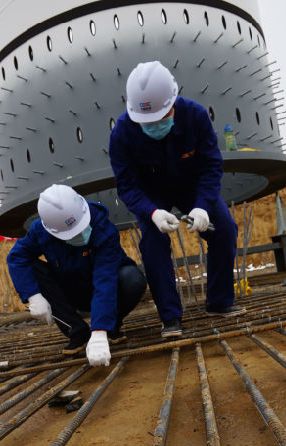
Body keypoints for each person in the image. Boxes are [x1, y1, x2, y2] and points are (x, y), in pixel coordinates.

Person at [109, 60, 246, 338]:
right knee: (152, 244)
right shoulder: (122, 132)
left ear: (173, 102)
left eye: (161, 117)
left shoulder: (195, 116)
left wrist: (203, 205)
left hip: (191, 186)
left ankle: (219, 302)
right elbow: (127, 185)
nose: (155, 125)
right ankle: (170, 318)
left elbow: (210, 165)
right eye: (148, 122)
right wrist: (152, 213)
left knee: (224, 231)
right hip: (151, 194)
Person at [6, 184, 147, 366]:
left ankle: (109, 327)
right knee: (31, 267)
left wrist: (99, 331)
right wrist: (33, 296)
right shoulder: (40, 231)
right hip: (71, 289)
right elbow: (17, 258)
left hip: (104, 287)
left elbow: (105, 280)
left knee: (132, 279)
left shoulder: (103, 228)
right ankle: (77, 332)